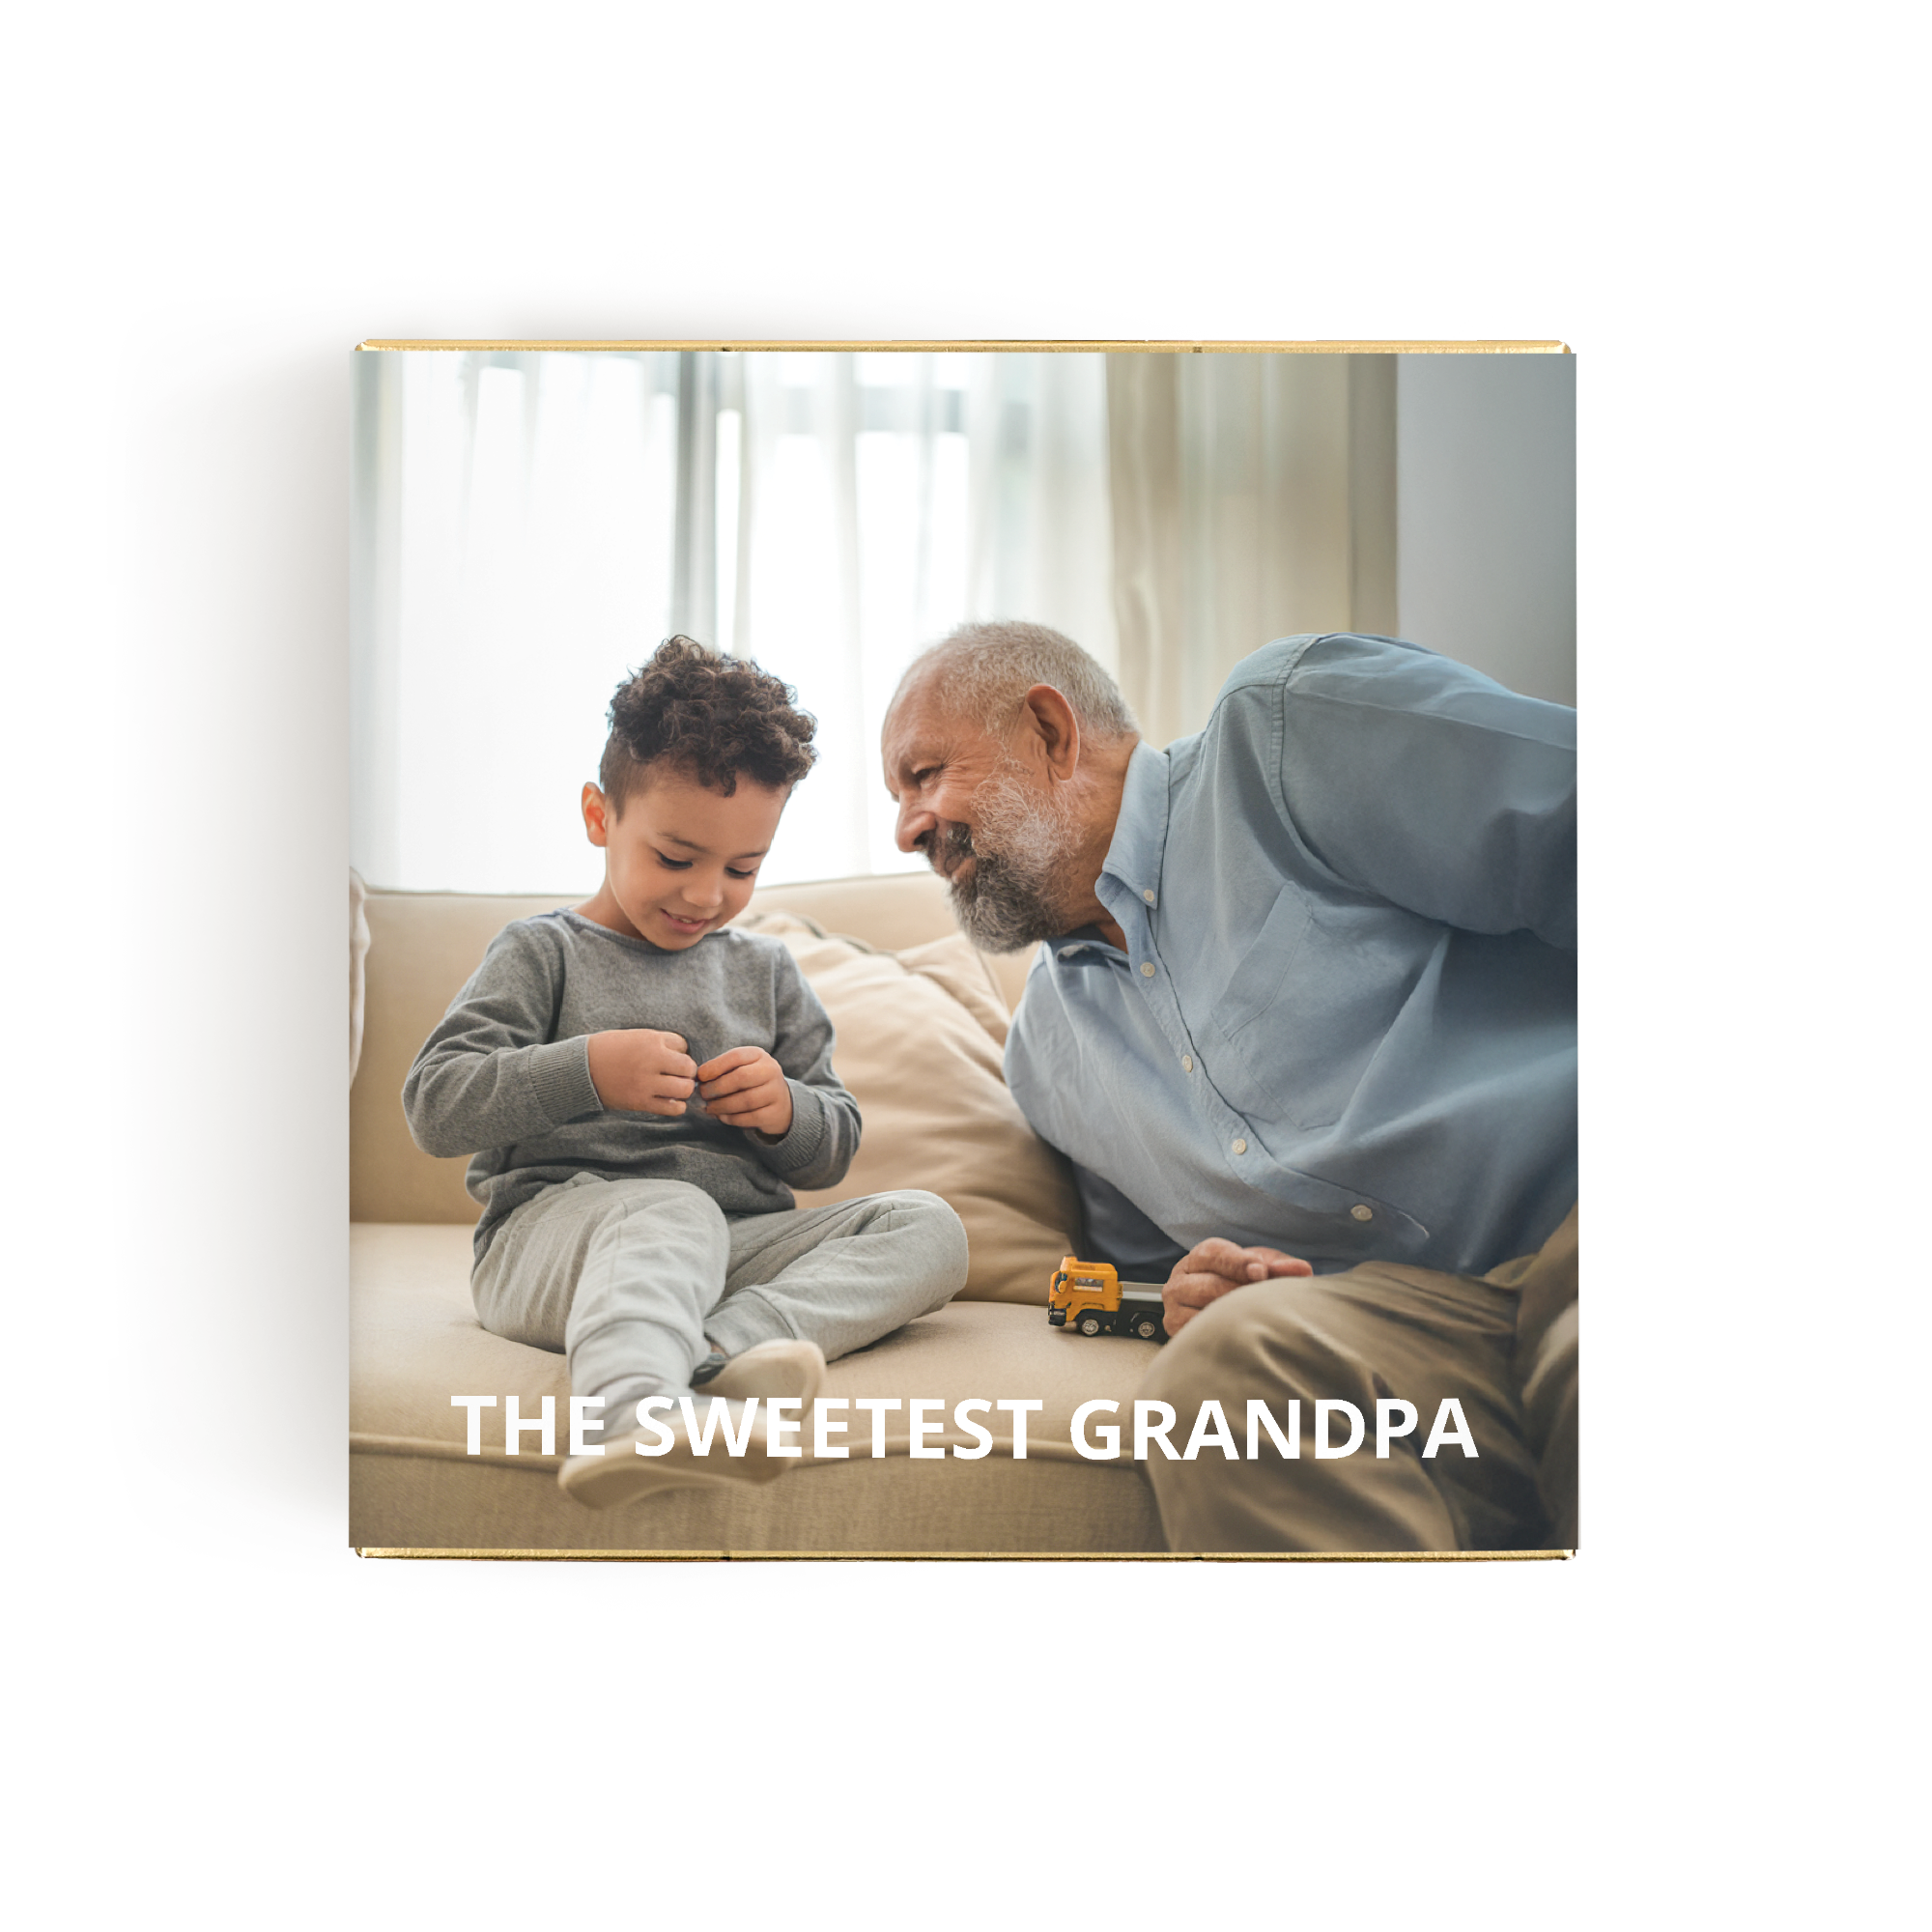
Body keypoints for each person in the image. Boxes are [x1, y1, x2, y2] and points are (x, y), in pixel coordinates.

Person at [882, 619, 1577, 1552]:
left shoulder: (1286, 732)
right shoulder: (1046, 1059)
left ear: (1050, 731)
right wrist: (1187, 1291)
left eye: (925, 775)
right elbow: (1153, 1277)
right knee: (1219, 1383)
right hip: (1432, 1338)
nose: (907, 830)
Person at [407, 637, 968, 1510]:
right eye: (676, 858)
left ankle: (715, 1354)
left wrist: (785, 1112)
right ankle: (628, 1416)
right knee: (670, 1210)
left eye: (743, 868)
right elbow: (435, 1104)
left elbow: (832, 1149)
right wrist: (587, 1070)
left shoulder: (767, 973)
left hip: (730, 1248)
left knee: (929, 1227)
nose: (707, 895)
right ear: (600, 817)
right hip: (556, 1247)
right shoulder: (542, 953)